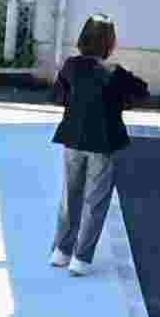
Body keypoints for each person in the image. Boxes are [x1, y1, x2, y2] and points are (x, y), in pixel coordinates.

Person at [47, 16, 148, 272]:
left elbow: (56, 97)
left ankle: (61, 251)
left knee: (70, 196)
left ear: (83, 38)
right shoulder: (114, 72)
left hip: (73, 138)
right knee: (96, 201)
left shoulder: (71, 66)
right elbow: (142, 92)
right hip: (103, 143)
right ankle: (81, 259)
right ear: (109, 43)